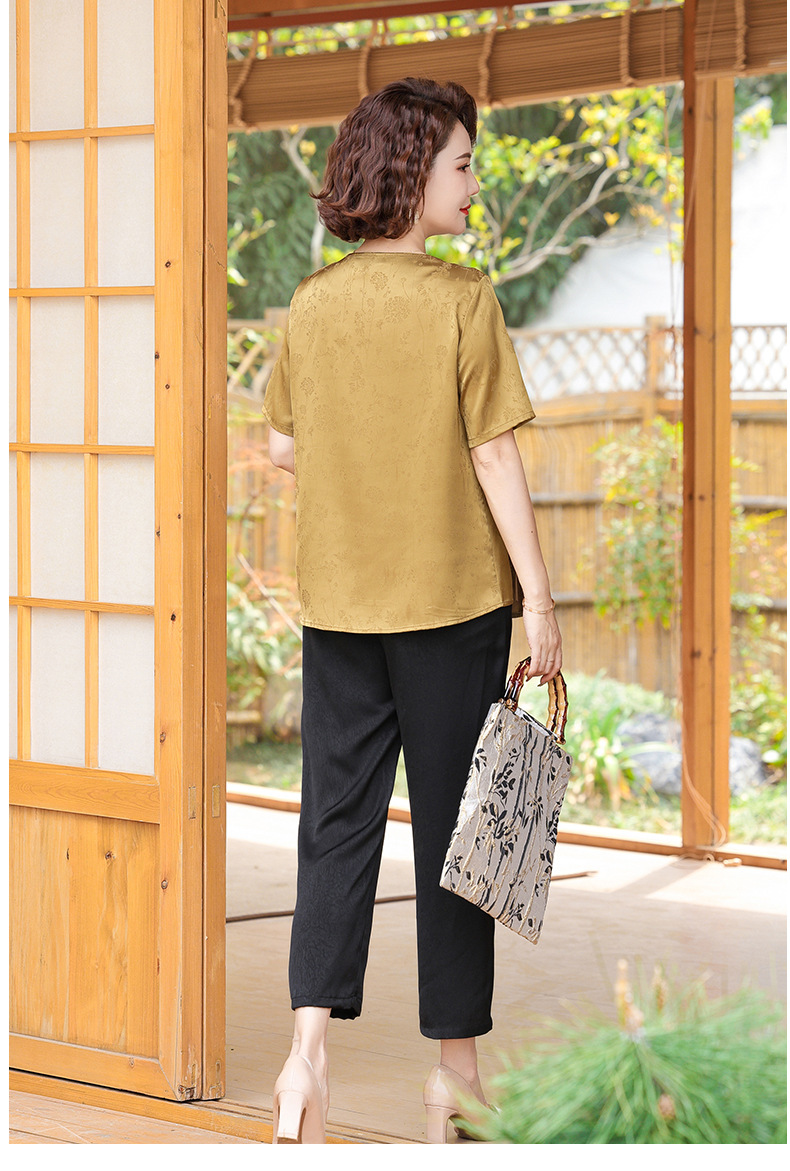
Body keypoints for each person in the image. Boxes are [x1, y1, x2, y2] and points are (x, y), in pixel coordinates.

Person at [262, 76, 562, 1145]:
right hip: (451, 605)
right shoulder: (462, 300)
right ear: (413, 173)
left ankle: (305, 1057)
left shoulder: (312, 303)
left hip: (339, 607)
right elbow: (493, 455)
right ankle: (455, 1079)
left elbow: (283, 446)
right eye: (463, 165)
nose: (474, 184)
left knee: (333, 827)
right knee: (454, 838)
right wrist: (539, 598)